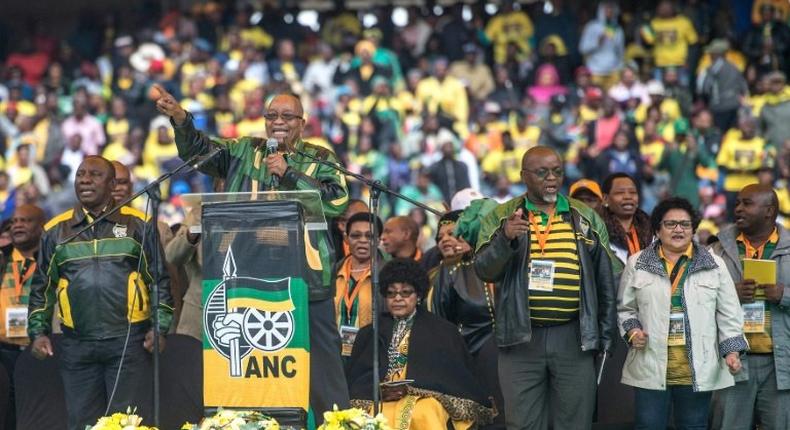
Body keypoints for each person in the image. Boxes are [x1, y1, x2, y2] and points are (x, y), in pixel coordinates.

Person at [153, 85, 351, 418]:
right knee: (249, 364)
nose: (278, 122)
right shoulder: (243, 151)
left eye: (287, 116)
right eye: (271, 115)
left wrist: (288, 174)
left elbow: (337, 201)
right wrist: (181, 119)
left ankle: (336, 423)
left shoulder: (320, 159)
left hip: (306, 281)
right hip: (244, 281)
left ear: (302, 123)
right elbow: (199, 152)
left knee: (321, 369)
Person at [474, 146, 617, 429]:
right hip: (520, 338)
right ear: (524, 176)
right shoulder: (502, 217)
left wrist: (606, 335)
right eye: (542, 173)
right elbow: (484, 270)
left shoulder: (584, 216)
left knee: (575, 422)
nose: (551, 178)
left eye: (557, 171)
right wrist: (505, 239)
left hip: (573, 337)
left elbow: (606, 280)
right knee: (522, 423)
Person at [27, 156, 173, 430]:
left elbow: (159, 281)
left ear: (111, 184)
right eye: (81, 174)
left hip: (129, 343)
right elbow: (41, 288)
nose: (84, 179)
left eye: (94, 175)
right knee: (82, 423)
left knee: (128, 423)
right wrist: (38, 332)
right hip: (77, 345)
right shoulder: (55, 232)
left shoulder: (138, 226)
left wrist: (160, 327)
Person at [618, 197, 746, 430]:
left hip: (698, 366)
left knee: (694, 425)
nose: (678, 229)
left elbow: (729, 313)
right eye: (670, 224)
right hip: (650, 365)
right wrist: (633, 331)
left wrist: (732, 351)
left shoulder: (714, 264)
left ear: (693, 229)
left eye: (685, 224)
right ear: (657, 229)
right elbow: (626, 309)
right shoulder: (637, 263)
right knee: (649, 426)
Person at [346, 258, 494, 429]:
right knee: (367, 416)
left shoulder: (442, 331)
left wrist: (413, 388)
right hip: (379, 399)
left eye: (406, 292)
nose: (398, 298)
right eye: (391, 293)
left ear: (418, 295)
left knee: (426, 412)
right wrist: (378, 390)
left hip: (424, 399)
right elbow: (359, 377)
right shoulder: (370, 332)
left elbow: (450, 378)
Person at [710, 184, 790, 429]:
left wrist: (784, 295)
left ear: (769, 211)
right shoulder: (717, 248)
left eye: (747, 203)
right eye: (737, 203)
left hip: (780, 364)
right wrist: (728, 293)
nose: (738, 209)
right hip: (732, 361)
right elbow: (696, 297)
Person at [427, 209, 504, 429]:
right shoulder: (446, 272)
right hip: (470, 361)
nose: (446, 240)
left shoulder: (501, 261)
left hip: (512, 359)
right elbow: (439, 326)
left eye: (453, 233)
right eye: (440, 237)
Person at [0, 204, 45, 428]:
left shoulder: (51, 261)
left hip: (41, 351)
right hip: (4, 352)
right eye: (14, 222)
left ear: (41, 227)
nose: (17, 225)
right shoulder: (2, 260)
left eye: (25, 221)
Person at [332, 212, 383, 357]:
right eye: (355, 235)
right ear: (346, 239)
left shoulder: (387, 276)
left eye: (370, 236)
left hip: (372, 358)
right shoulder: (332, 274)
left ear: (378, 240)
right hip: (334, 358)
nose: (362, 241)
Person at [600, 173, 652, 266]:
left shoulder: (651, 233)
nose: (628, 197)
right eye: (620, 192)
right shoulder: (598, 234)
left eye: (633, 192)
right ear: (605, 199)